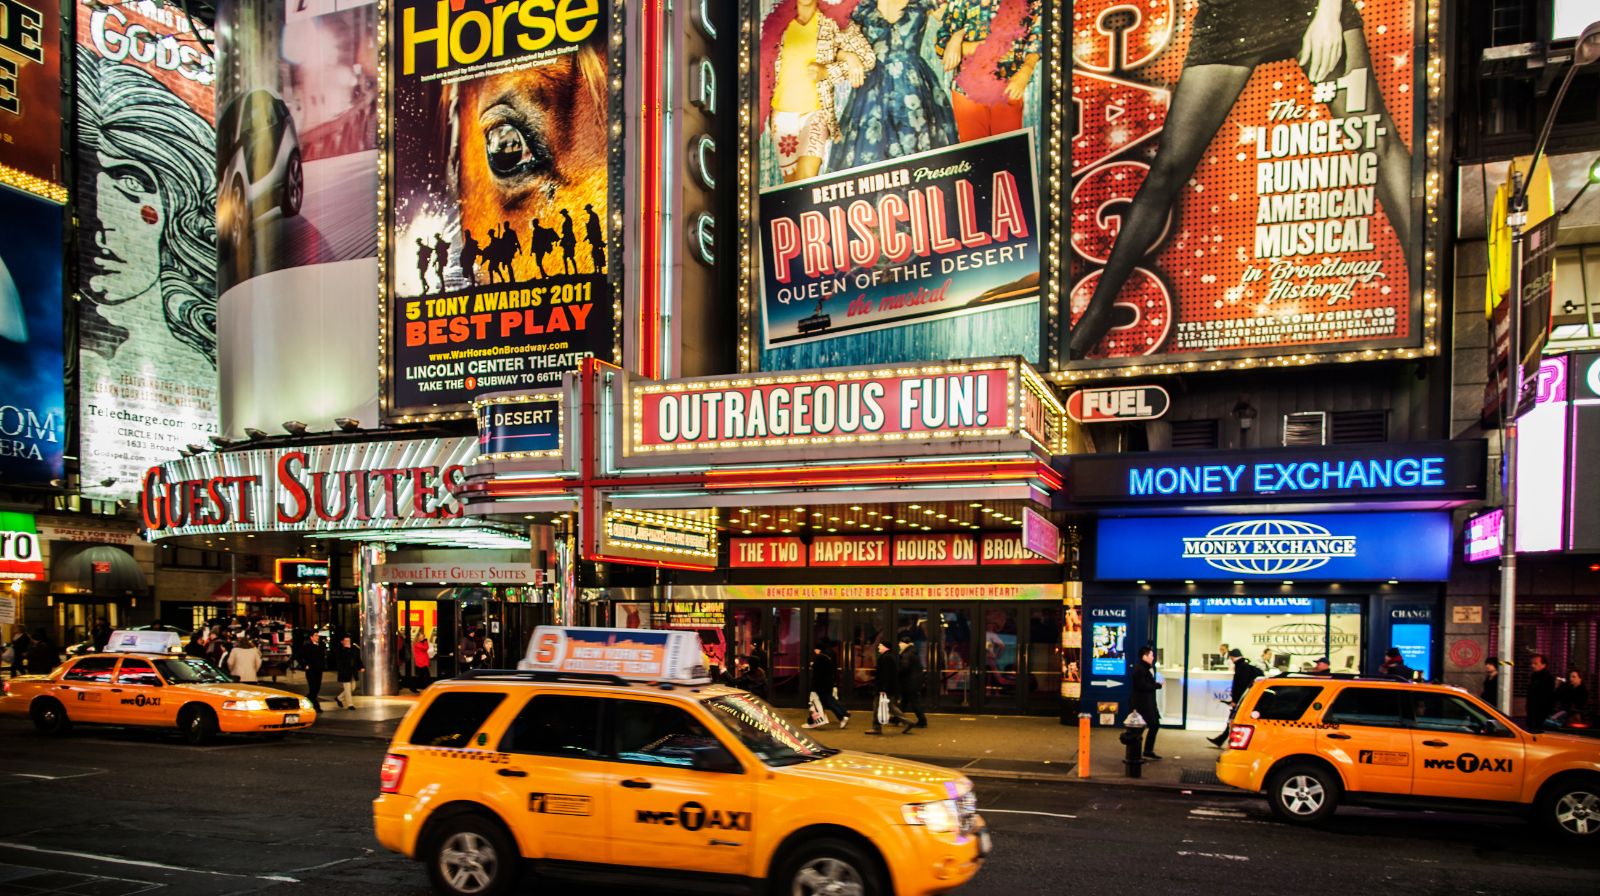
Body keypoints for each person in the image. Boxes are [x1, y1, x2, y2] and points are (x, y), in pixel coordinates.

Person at [1068, 0, 1414, 359]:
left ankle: (1424, 281)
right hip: (1227, 17)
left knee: (1377, 141)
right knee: (1167, 170)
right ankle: (1096, 314)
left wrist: (1329, 13)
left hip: (1309, 7)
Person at [827, 0, 959, 173]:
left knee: (920, 164)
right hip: (871, 94)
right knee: (870, 163)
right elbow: (826, 46)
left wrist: (957, 37)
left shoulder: (924, 2)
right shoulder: (860, 7)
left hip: (914, 91)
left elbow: (962, 18)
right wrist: (849, 57)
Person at [760, 0, 874, 181]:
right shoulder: (778, 24)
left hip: (816, 113)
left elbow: (867, 59)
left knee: (805, 179)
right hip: (782, 117)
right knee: (791, 187)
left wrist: (828, 70)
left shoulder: (833, 21)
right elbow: (763, 70)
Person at [935, 0, 1041, 141]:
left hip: (1008, 86)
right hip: (967, 91)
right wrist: (959, 38)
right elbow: (942, 48)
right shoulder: (959, 2)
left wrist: (1026, 71)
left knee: (1008, 155)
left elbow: (1039, 35)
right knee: (975, 157)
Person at [1208, 648, 1262, 747]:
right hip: (1243, 698)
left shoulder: (1241, 667)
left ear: (1232, 657)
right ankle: (1221, 739)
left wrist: (1236, 700)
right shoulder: (1243, 665)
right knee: (1233, 719)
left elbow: (1240, 685)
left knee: (1234, 719)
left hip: (1242, 699)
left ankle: (1225, 740)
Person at [803, 638, 850, 729]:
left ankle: (813, 722)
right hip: (827, 684)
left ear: (819, 648)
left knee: (818, 703)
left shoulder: (821, 658)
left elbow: (819, 673)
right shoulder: (827, 657)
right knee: (828, 701)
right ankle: (843, 715)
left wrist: (814, 666)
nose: (814, 650)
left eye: (816, 648)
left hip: (821, 686)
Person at [1131, 646, 1162, 760]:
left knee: (1154, 725)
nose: (1153, 658)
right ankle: (1136, 753)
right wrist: (1156, 686)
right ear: (1145, 657)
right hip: (1142, 704)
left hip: (1148, 703)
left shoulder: (1147, 668)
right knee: (1141, 728)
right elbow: (1142, 686)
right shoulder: (1140, 669)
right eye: (1151, 655)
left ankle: (1147, 750)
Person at [897, 632, 928, 732]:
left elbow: (905, 667)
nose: (899, 645)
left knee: (913, 701)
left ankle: (922, 720)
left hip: (909, 682)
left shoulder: (906, 654)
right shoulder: (913, 653)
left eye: (900, 643)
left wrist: (896, 672)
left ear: (905, 644)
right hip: (912, 681)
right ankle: (897, 719)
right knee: (904, 701)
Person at [866, 640, 898, 736]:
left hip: (883, 688)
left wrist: (882, 688)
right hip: (885, 687)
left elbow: (885, 674)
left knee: (877, 707)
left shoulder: (886, 657)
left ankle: (876, 727)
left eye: (880, 646)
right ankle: (907, 722)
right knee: (889, 707)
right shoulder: (888, 656)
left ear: (885, 647)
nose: (878, 647)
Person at [334, 635, 364, 710]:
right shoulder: (340, 649)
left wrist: (361, 666)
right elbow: (341, 657)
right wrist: (347, 649)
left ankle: (339, 698)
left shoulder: (353, 649)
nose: (347, 642)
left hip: (352, 671)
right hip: (344, 672)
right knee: (347, 689)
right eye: (346, 641)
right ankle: (350, 704)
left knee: (352, 688)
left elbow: (357, 658)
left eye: (349, 641)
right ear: (342, 642)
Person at [300, 630, 328, 709]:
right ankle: (316, 705)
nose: (317, 637)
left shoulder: (321, 646)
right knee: (313, 687)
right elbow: (298, 656)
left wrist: (323, 665)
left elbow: (323, 657)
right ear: (311, 637)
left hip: (319, 670)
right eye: (315, 636)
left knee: (317, 687)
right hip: (311, 670)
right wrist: (304, 665)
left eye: (318, 636)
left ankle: (306, 699)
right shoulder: (307, 647)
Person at [583, 203, 605, 273]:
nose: (587, 211)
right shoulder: (593, 216)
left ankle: (597, 270)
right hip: (596, 238)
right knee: (596, 253)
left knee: (595, 254)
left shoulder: (593, 216)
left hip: (596, 238)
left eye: (587, 209)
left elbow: (593, 228)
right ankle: (598, 269)